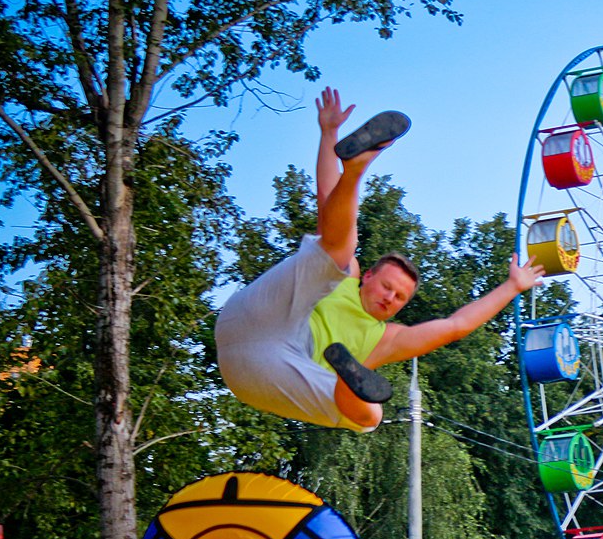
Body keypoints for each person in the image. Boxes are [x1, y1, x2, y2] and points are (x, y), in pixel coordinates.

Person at [216, 88, 545, 432]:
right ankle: (355, 170)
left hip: (270, 370)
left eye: (400, 298)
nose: (390, 298)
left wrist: (512, 287)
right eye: (388, 286)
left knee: (371, 416)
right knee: (339, 249)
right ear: (368, 277)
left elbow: (455, 326)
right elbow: (328, 204)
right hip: (261, 317)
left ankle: (348, 380)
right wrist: (328, 134)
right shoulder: (347, 276)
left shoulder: (387, 340)